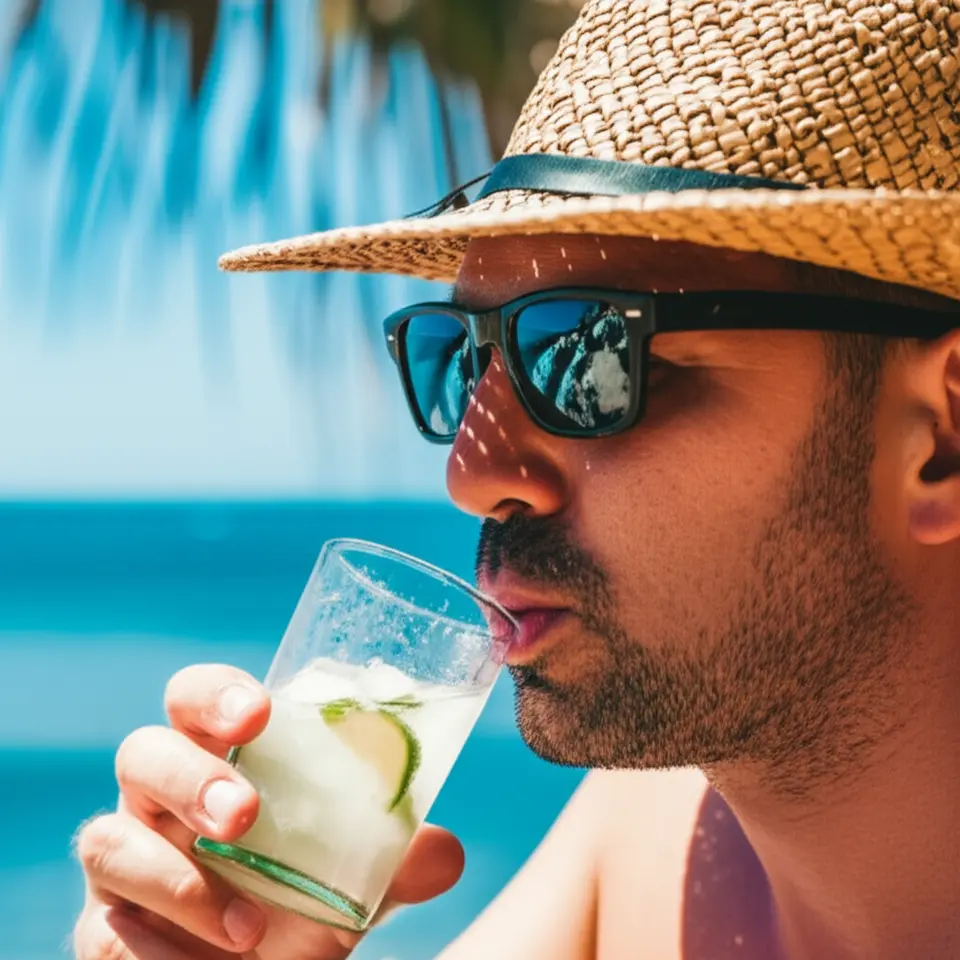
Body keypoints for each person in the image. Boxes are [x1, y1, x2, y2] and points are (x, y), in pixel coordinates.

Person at [73, 1, 960, 958]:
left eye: (593, 358)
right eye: (460, 359)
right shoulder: (650, 844)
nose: (472, 471)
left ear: (941, 434)